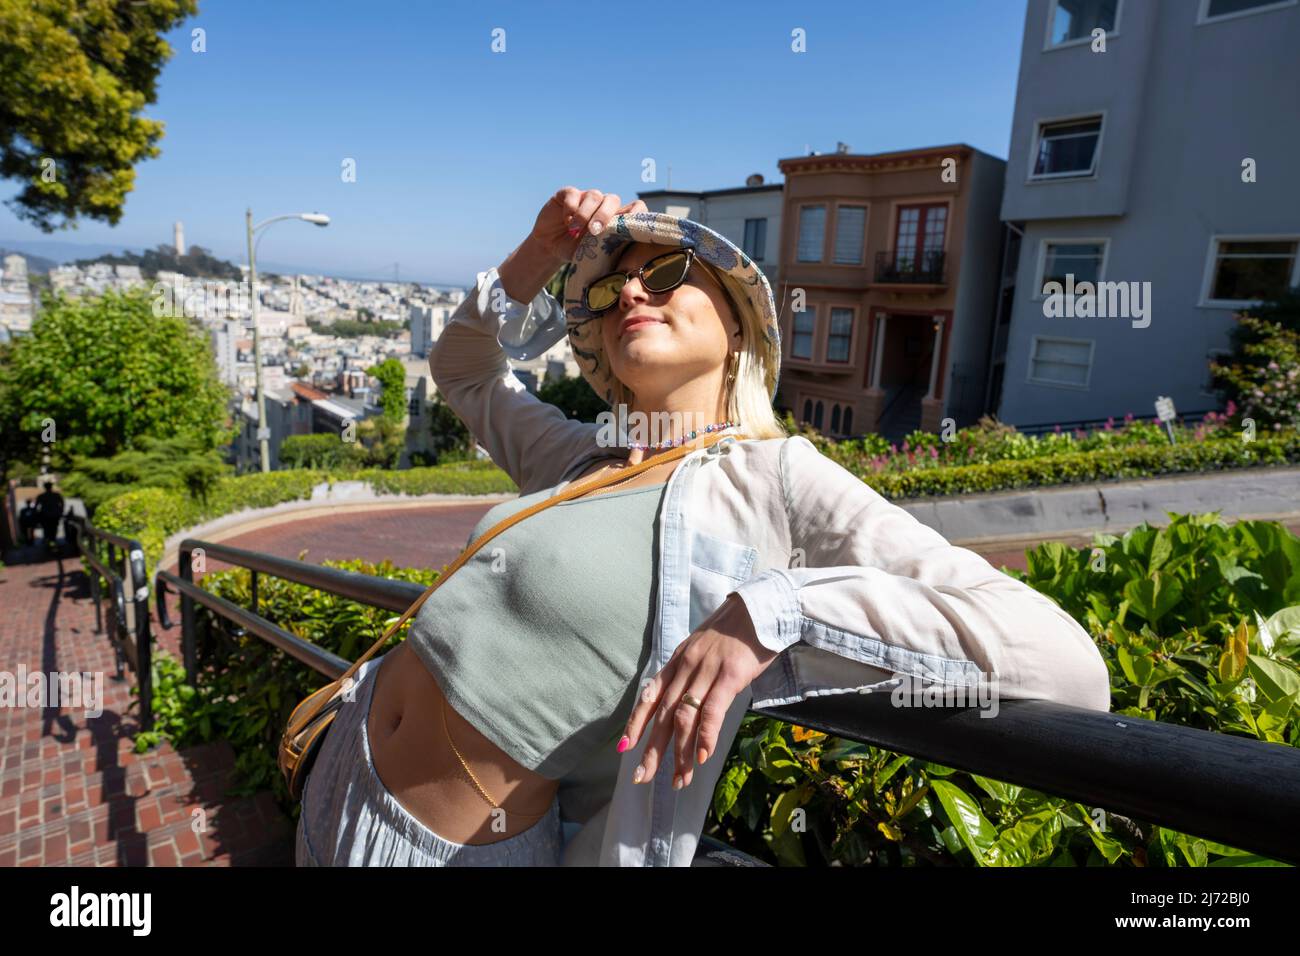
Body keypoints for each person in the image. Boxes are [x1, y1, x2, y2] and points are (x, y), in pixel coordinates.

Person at [294, 189, 1112, 868]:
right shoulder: (580, 458)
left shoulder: (777, 476)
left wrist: (774, 612)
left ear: (738, 325)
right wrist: (542, 250)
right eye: (612, 291)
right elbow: (464, 369)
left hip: (450, 848)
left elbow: (1065, 663)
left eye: (668, 273)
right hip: (342, 766)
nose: (631, 296)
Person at [35, 481, 64, 553]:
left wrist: (38, 514)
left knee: (47, 531)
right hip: (54, 516)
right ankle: (52, 543)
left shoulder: (41, 496)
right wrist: (60, 511)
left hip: (46, 517)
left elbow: (36, 507)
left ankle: (50, 544)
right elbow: (62, 504)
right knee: (53, 530)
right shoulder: (56, 495)